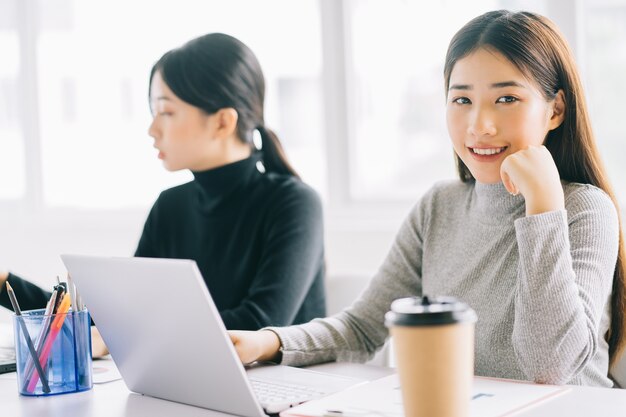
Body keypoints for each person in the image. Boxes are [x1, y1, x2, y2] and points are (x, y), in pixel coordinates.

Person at [229, 10, 626, 387]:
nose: (479, 125)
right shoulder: (439, 205)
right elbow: (363, 327)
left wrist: (543, 207)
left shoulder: (584, 209)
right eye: (462, 100)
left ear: (555, 109)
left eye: (506, 99)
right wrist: (268, 343)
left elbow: (549, 367)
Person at [0, 33, 326, 333]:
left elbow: (259, 325)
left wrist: (125, 334)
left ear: (223, 121)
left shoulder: (294, 203)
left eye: (166, 112)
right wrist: (4, 284)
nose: (152, 129)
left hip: (290, 390)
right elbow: (116, 317)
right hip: (193, 386)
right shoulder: (170, 207)